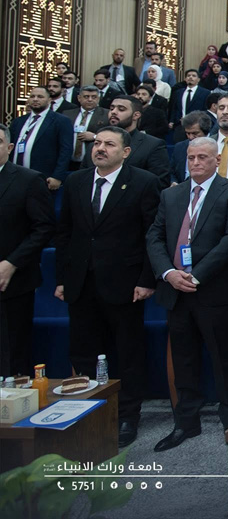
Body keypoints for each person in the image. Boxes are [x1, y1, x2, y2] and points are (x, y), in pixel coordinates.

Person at [54, 126, 162, 448]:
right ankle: (91, 411)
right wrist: (62, 278)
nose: (100, 148)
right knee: (83, 351)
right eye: (97, 143)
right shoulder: (76, 181)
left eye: (109, 144)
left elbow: (152, 235)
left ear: (125, 152)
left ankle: (127, 415)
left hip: (125, 284)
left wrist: (147, 280)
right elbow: (64, 233)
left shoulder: (143, 182)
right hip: (81, 283)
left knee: (128, 353)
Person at [146, 137, 228, 451]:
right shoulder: (171, 194)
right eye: (191, 157)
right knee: (183, 358)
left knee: (223, 358)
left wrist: (197, 275)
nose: (195, 163)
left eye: (202, 157)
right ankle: (186, 423)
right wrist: (168, 273)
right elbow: (154, 237)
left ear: (217, 160)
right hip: (176, 290)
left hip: (215, 290)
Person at [0, 123, 56, 376]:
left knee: (11, 353)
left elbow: (43, 228)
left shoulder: (29, 180)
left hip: (13, 279)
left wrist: (11, 263)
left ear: (10, 147)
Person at [84, 95, 170, 180]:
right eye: (111, 108)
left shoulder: (152, 145)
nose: (114, 112)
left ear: (136, 115)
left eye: (121, 109)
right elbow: (83, 178)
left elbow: (159, 182)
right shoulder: (93, 146)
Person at [9, 86, 73, 191]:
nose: (35, 99)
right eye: (32, 96)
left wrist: (57, 176)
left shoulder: (61, 121)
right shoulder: (18, 121)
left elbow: (66, 150)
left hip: (44, 177)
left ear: (49, 100)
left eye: (40, 97)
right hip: (15, 177)